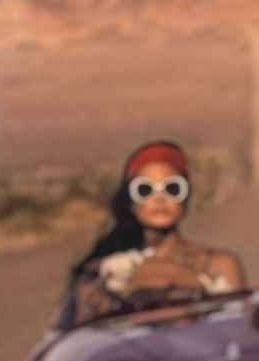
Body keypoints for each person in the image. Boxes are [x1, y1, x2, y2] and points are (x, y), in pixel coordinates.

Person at [58, 141, 244, 328]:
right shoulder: (103, 271)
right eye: (144, 189)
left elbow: (240, 330)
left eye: (172, 188)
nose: (159, 198)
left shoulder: (219, 264)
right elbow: (82, 339)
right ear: (131, 201)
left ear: (186, 196)